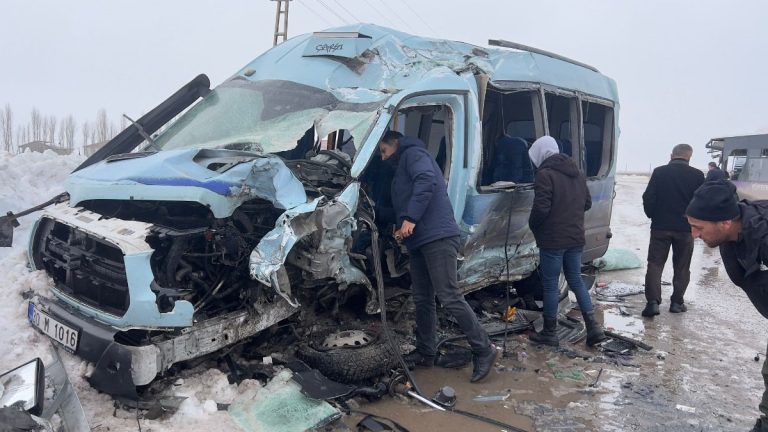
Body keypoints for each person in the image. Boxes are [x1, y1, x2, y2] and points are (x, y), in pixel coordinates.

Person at [378, 131, 498, 383]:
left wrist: (410, 218)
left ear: (395, 143)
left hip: (438, 237)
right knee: (423, 298)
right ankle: (426, 352)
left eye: (383, 151)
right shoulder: (401, 167)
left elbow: (427, 181)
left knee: (449, 296)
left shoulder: (413, 154)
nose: (382, 158)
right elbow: (403, 206)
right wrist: (383, 214)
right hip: (419, 241)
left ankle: (484, 349)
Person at [685, 180, 768, 432]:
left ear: (725, 223)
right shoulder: (730, 236)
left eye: (699, 228)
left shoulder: (763, 238)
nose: (694, 235)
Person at [526, 135, 606, 347]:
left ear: (541, 153)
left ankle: (549, 333)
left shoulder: (545, 175)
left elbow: (541, 208)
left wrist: (533, 225)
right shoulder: (577, 173)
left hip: (553, 239)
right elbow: (587, 203)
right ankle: (593, 328)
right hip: (575, 237)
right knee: (576, 280)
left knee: (550, 285)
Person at [641, 144, 705, 316]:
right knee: (682, 267)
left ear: (672, 155)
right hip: (686, 228)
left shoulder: (659, 172)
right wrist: (695, 222)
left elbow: (648, 197)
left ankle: (652, 303)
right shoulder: (698, 175)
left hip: (660, 227)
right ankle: (677, 303)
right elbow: (702, 201)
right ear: (689, 157)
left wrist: (653, 215)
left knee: (655, 264)